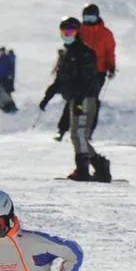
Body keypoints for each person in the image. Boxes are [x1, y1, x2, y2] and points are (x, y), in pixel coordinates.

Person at [39, 17, 111, 183]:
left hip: (84, 99)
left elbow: (89, 79)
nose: (67, 34)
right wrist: (47, 98)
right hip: (75, 100)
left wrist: (79, 98)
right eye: (64, 31)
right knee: (76, 135)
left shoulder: (84, 52)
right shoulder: (67, 54)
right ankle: (100, 166)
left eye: (70, 31)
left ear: (77, 32)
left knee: (78, 134)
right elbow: (60, 80)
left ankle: (84, 169)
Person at [79, 3, 116, 136]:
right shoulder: (79, 32)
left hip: (98, 72)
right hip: (81, 71)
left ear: (97, 17)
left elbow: (110, 52)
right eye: (86, 18)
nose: (89, 21)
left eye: (91, 18)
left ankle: (89, 129)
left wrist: (111, 66)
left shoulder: (106, 34)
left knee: (92, 99)